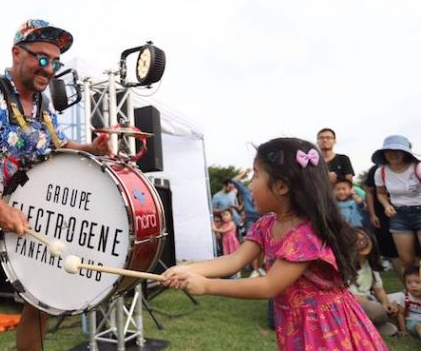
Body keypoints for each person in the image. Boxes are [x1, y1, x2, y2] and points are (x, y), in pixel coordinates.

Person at [0, 19, 111, 351]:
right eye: (42, 59)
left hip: (18, 225)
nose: (50, 69)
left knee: (41, 304)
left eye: (56, 63)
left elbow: (55, 146)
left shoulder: (45, 107)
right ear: (17, 53)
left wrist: (92, 149)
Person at [163, 137, 387, 350]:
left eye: (256, 175)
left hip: (327, 327)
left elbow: (269, 285)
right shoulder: (266, 225)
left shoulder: (306, 234)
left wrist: (206, 285)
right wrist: (187, 269)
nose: (250, 186)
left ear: (281, 186)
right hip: (297, 322)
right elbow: (235, 260)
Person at [373, 135, 421, 277]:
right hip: (398, 215)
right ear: (383, 153)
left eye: (397, 150)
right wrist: (386, 205)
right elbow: (380, 193)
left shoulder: (417, 168)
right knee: (406, 260)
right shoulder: (380, 172)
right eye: (388, 151)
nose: (392, 154)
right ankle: (412, 294)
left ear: (405, 152)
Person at [349, 228, 398, 336]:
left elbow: (378, 288)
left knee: (396, 302)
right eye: (356, 240)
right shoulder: (345, 266)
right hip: (352, 303)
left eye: (364, 239)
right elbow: (348, 294)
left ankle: (375, 324)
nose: (361, 243)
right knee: (376, 310)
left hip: (369, 300)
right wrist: (371, 304)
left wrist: (386, 303)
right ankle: (375, 324)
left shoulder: (369, 264)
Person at [231, 169, 265, 277]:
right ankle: (254, 270)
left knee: (263, 246)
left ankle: (259, 268)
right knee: (253, 244)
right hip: (250, 219)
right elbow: (234, 180)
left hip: (263, 218)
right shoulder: (245, 191)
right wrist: (244, 173)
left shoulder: (263, 190)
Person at [392, 266, 421, 338]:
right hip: (413, 323)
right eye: (409, 282)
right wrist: (404, 330)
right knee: (419, 327)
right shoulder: (405, 297)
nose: (413, 285)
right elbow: (401, 314)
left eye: (418, 282)